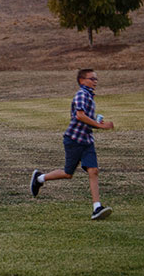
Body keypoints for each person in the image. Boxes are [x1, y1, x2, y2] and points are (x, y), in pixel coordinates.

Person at [30, 68, 115, 220]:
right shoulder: (81, 94)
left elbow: (86, 118)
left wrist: (96, 121)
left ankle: (97, 207)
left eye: (96, 79)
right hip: (74, 140)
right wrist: (100, 125)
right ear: (82, 80)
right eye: (92, 79)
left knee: (93, 171)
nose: (95, 81)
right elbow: (80, 116)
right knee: (68, 173)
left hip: (87, 141)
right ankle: (39, 178)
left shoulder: (89, 96)